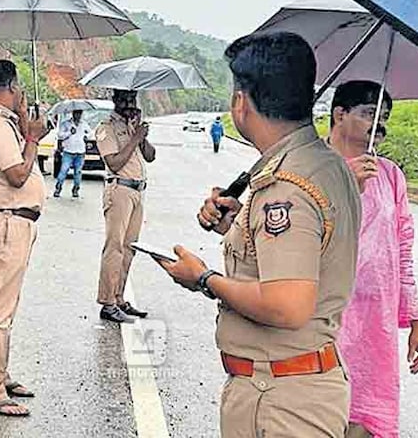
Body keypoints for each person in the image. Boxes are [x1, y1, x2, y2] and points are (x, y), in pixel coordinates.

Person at [155, 31, 362, 438]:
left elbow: (287, 305)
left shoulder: (287, 186)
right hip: (298, 387)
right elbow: (306, 253)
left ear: (241, 102)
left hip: (280, 399)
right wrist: (237, 227)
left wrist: (203, 278)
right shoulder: (325, 165)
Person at [327, 80, 418, 438]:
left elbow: (403, 249)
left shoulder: (390, 174)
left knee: (367, 418)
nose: (379, 124)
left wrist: (416, 318)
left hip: (375, 322)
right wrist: (346, 186)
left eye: (383, 116)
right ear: (339, 114)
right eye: (370, 113)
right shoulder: (317, 167)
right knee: (323, 412)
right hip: (327, 314)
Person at [0, 59, 47, 417]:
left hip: (11, 222)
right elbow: (17, 174)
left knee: (5, 306)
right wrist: (31, 137)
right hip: (8, 223)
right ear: (13, 87)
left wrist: (24, 130)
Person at [95, 90, 155, 324]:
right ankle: (107, 303)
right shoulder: (106, 127)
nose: (129, 104)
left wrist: (141, 135)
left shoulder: (134, 127)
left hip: (138, 191)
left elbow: (150, 156)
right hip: (119, 190)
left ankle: (119, 298)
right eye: (124, 100)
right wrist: (134, 138)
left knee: (130, 248)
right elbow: (114, 162)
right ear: (115, 101)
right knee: (115, 247)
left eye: (132, 100)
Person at [53, 109, 92, 198]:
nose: (78, 115)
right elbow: (60, 135)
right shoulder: (66, 124)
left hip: (80, 152)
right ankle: (58, 188)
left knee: (78, 172)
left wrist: (86, 136)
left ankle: (76, 189)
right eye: (76, 113)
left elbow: (90, 133)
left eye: (80, 113)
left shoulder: (84, 124)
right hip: (68, 152)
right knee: (64, 170)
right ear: (73, 113)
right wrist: (70, 132)